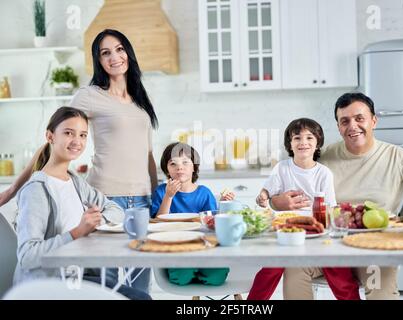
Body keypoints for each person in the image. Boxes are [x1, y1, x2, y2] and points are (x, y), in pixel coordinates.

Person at [0, 29, 158, 295]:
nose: (114, 57)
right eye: (105, 53)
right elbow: (58, 137)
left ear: (128, 53)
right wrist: (13, 190)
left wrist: (155, 195)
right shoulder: (90, 95)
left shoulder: (139, 98)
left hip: (141, 201)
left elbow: (148, 154)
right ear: (98, 60)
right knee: (110, 287)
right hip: (108, 198)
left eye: (119, 49)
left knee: (141, 283)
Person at [273, 92, 403, 300]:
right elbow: (284, 185)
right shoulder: (321, 157)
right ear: (339, 127)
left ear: (374, 121)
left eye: (359, 118)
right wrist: (277, 201)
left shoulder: (401, 159)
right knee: (294, 269)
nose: (352, 126)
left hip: (373, 250)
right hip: (327, 247)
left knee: (378, 280)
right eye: (345, 121)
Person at [13, 106, 149, 300]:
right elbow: (28, 256)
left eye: (83, 135)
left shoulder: (75, 181)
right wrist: (78, 232)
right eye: (68, 133)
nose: (77, 141)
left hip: (79, 275)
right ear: (50, 136)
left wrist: (97, 220)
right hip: (51, 284)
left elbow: (115, 209)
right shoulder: (36, 190)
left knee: (141, 297)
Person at [247, 118, 360, 300]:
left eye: (309, 138)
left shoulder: (323, 173)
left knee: (338, 270)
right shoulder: (282, 168)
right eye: (297, 138)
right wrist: (263, 197)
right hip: (287, 231)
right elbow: (267, 190)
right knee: (270, 270)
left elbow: (330, 206)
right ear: (289, 144)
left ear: (317, 143)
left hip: (318, 230)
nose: (303, 143)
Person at [151, 142, 233, 285]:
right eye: (173, 164)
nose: (179, 167)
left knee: (217, 277)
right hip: (176, 248)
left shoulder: (204, 193)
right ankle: (191, 271)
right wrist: (168, 196)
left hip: (203, 247)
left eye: (185, 162)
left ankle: (199, 271)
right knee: (180, 277)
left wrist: (225, 205)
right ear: (166, 169)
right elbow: (158, 223)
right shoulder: (161, 191)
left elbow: (213, 224)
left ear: (194, 167)